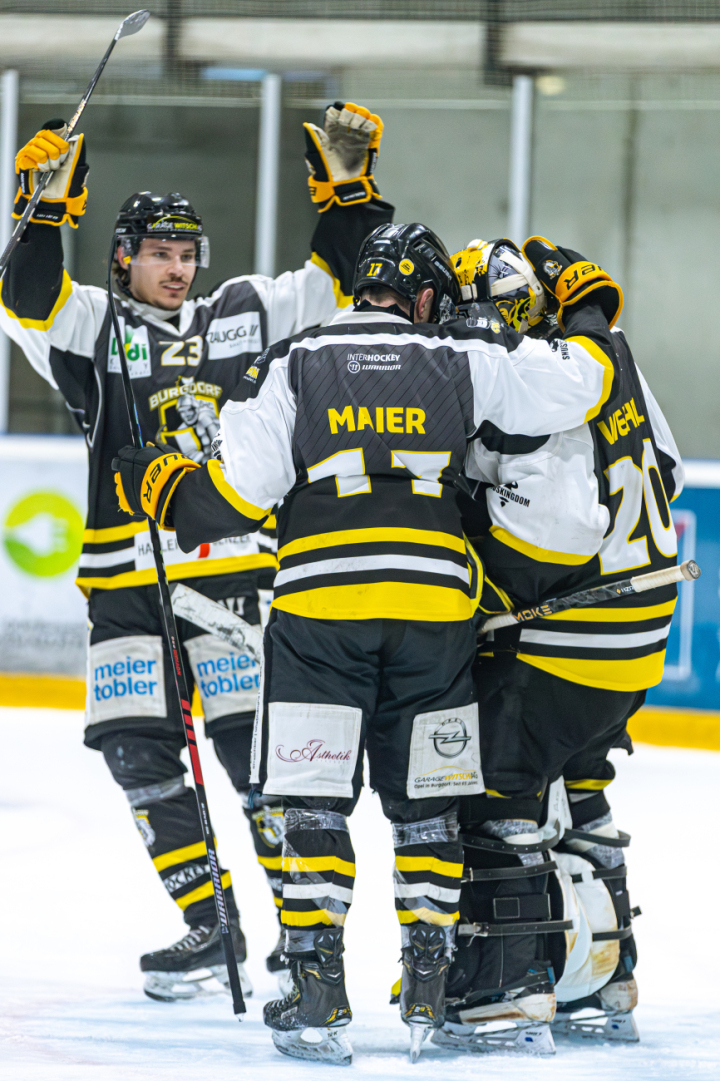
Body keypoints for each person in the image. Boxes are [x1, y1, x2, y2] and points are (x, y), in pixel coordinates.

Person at [112, 220, 624, 1063]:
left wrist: (160, 484)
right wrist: (593, 317)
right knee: (427, 804)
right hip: (433, 619)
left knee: (311, 800)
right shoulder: (459, 357)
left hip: (323, 616)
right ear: (424, 295)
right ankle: (428, 986)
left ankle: (317, 994)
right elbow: (577, 388)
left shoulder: (296, 359)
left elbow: (235, 499)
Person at [0, 102, 394, 1001]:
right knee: (134, 749)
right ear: (123, 255)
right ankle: (209, 917)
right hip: (123, 579)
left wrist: (349, 188)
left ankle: (303, 934)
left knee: (255, 756)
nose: (178, 269)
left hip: (231, 573)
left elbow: (342, 279)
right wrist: (42, 204)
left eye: (188, 254)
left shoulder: (246, 312)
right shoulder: (91, 322)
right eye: (160, 254)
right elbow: (24, 296)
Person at [432, 236, 682, 1055]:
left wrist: (484, 584)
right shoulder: (609, 359)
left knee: (498, 784)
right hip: (643, 621)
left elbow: (554, 537)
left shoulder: (531, 379)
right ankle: (604, 977)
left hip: (582, 630)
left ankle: (507, 987)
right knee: (578, 777)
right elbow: (668, 470)